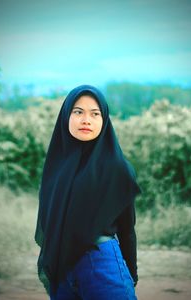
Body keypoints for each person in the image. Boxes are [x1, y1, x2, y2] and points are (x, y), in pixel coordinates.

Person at [34, 84, 141, 299]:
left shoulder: (115, 168)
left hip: (101, 264)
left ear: (104, 120)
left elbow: (127, 228)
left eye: (95, 114)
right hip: (62, 270)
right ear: (66, 116)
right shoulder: (57, 166)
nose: (86, 120)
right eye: (78, 112)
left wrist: (131, 272)